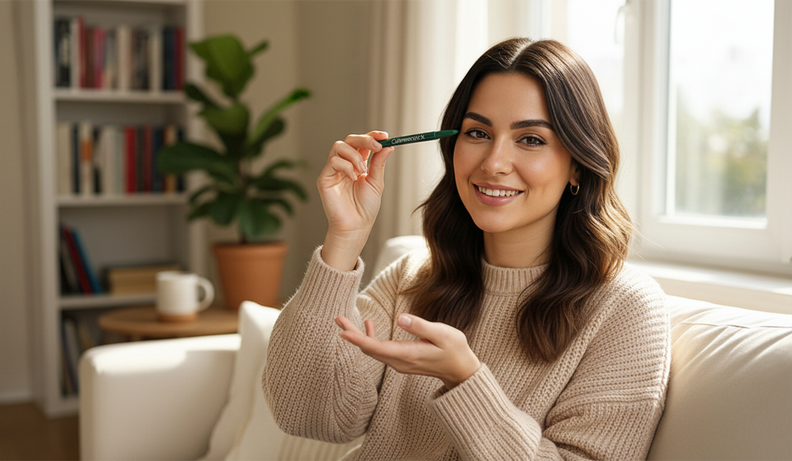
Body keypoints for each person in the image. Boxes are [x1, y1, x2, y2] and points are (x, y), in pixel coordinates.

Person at [263, 37, 670, 460]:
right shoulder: (413, 278)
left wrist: (465, 380)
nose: (493, 162)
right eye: (478, 133)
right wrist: (343, 238)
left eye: (530, 139)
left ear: (578, 167)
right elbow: (307, 416)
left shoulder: (625, 309)